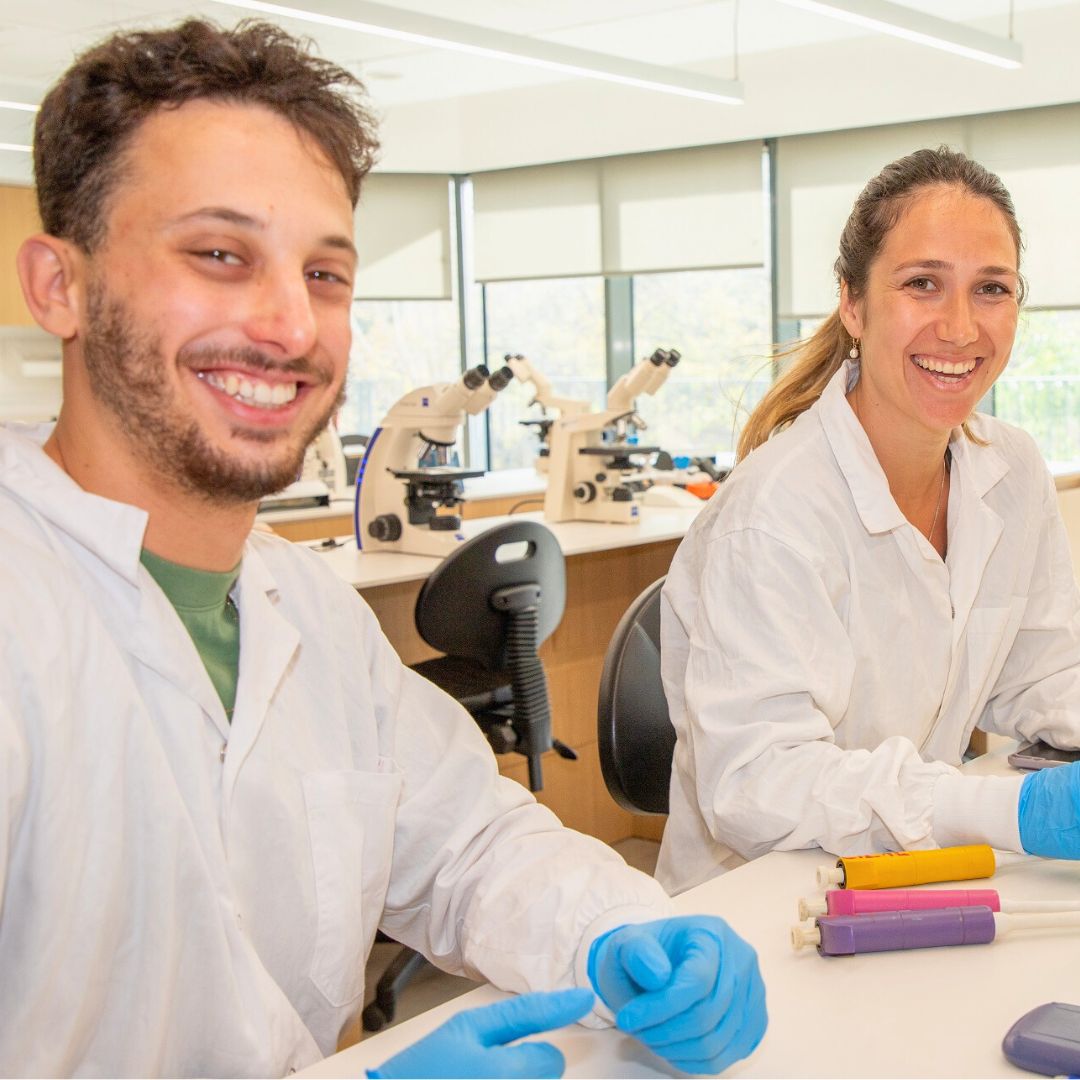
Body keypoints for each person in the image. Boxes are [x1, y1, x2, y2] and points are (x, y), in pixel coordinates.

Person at [0, 18, 767, 1078]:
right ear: (60, 286)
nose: (289, 325)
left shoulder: (306, 612)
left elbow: (470, 845)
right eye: (219, 255)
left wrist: (620, 930)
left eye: (325, 273)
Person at [656, 146, 1080, 896]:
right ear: (852, 304)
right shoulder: (774, 514)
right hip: (764, 901)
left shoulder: (1011, 470)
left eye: (991, 289)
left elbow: (1040, 671)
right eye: (922, 284)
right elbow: (759, 781)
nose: (960, 328)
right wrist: (1003, 810)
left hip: (916, 872)